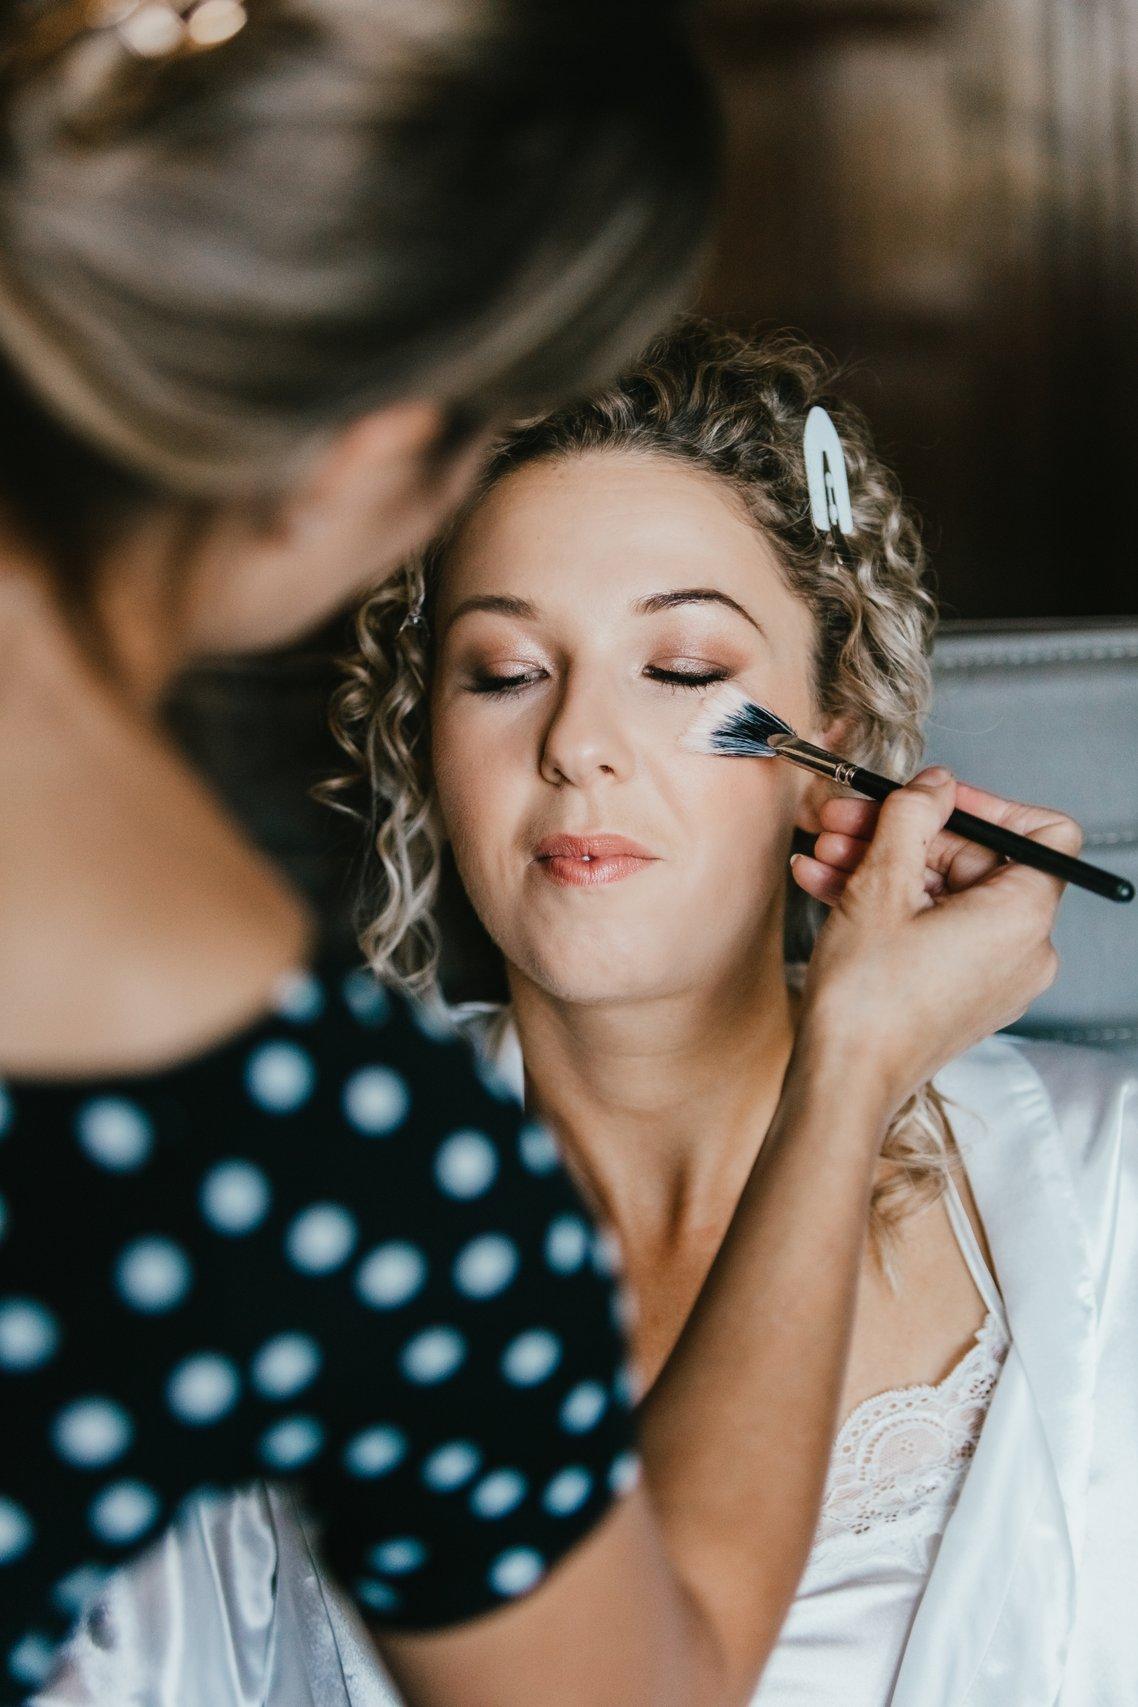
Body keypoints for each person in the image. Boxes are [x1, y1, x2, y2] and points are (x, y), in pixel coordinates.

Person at [0, 1, 1071, 1700]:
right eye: (499, 670)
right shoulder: (331, 1155)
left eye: (687, 669)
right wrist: (852, 1061)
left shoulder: (1098, 1201)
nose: (578, 740)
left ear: (839, 749)